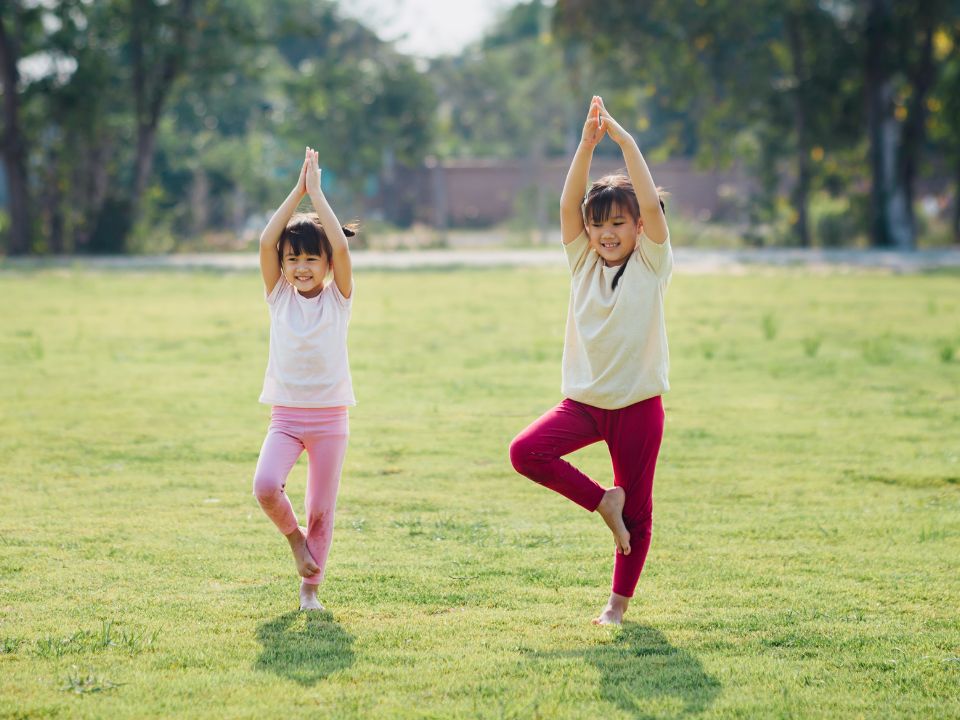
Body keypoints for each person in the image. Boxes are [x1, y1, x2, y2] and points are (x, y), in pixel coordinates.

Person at [509, 96, 672, 625]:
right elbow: (566, 206)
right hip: (583, 403)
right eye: (598, 224)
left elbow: (650, 205)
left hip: (638, 407)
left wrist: (625, 144)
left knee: (640, 513)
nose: (607, 233)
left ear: (639, 229)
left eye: (618, 224)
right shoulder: (581, 262)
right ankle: (603, 502)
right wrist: (585, 145)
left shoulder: (651, 263)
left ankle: (616, 606)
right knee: (525, 452)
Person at [252, 146, 356, 611]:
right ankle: (296, 543)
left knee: (321, 509)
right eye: (293, 259)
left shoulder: (339, 299)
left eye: (311, 259)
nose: (300, 267)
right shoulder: (279, 297)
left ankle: (310, 590)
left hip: (331, 420)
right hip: (287, 417)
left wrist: (319, 195)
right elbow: (264, 243)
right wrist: (298, 193)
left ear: (327, 265)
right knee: (265, 486)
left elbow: (341, 245)